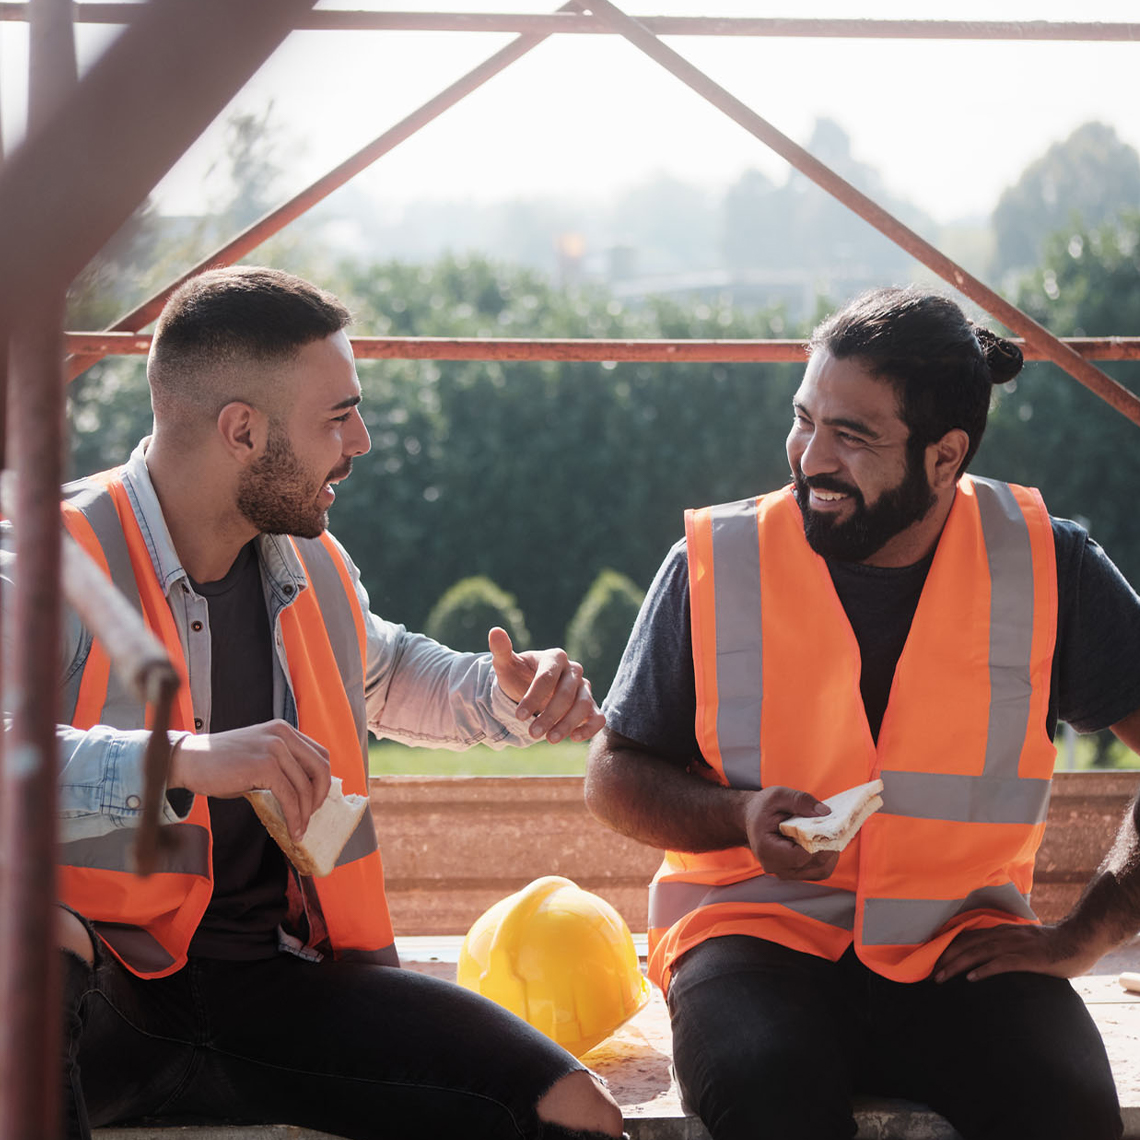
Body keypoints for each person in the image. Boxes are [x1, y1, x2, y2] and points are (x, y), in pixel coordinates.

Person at [23, 266, 625, 1140]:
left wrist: (506, 699)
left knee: (573, 1113)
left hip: (271, 996)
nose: (365, 441)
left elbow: (386, 674)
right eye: (339, 417)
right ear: (242, 430)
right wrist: (188, 760)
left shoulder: (311, 568)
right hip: (101, 1005)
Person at [585, 286, 1140, 1140]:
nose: (811, 457)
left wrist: (1091, 930)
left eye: (853, 436)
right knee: (767, 1095)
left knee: (1066, 1106)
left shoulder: (1049, 565)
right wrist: (738, 818)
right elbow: (614, 773)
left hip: (963, 944)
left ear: (945, 456)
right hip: (751, 935)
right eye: (804, 418)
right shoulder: (716, 560)